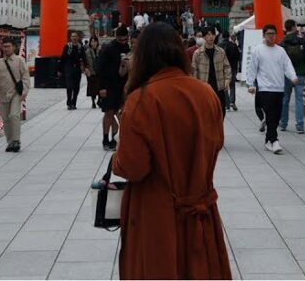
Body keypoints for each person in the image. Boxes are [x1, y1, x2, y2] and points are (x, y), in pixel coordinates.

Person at [112, 22, 232, 280]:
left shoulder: (142, 98)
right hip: (201, 209)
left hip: (156, 213)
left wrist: (116, 159)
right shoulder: (207, 94)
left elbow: (133, 166)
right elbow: (216, 142)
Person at [246, 23, 298, 154]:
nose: (271, 37)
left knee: (276, 116)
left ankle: (268, 141)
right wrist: (250, 84)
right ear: (264, 35)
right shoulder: (258, 50)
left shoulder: (280, 51)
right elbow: (252, 68)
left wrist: (293, 76)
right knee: (270, 114)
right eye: (269, 34)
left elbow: (287, 65)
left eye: (273, 34)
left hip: (279, 88)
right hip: (265, 88)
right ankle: (274, 140)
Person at [0, 39, 30, 152]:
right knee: (5, 119)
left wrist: (25, 90)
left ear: (14, 47)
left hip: (15, 94)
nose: (6, 49)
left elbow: (25, 77)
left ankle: (16, 140)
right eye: (4, 47)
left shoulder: (19, 61)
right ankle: (10, 141)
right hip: (2, 93)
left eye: (8, 46)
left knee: (14, 115)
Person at [96, 26, 131, 150]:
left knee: (122, 112)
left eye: (125, 39)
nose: (123, 42)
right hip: (109, 85)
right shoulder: (108, 48)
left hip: (122, 85)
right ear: (116, 37)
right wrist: (101, 87)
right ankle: (105, 139)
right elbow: (100, 69)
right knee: (109, 112)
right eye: (121, 40)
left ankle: (118, 138)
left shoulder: (128, 48)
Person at [279, 19, 305, 134]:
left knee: (285, 99)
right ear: (293, 27)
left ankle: (283, 123)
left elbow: (279, 61)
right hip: (300, 73)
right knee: (299, 100)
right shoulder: (301, 41)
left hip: (287, 74)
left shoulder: (282, 42)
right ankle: (300, 125)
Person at [190, 26, 232, 116]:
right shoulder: (198, 53)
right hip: (205, 88)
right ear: (204, 37)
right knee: (206, 113)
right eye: (208, 34)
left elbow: (227, 67)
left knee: (221, 112)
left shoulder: (220, 51)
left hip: (219, 86)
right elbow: (194, 71)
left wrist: (227, 80)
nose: (211, 37)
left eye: (213, 34)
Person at [60, 31, 86, 109]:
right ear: (70, 38)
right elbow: (63, 59)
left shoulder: (80, 47)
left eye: (75, 36)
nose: (74, 38)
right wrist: (60, 70)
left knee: (76, 87)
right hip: (69, 68)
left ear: (78, 38)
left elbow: (84, 58)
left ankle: (74, 102)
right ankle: (69, 102)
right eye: (73, 36)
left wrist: (86, 67)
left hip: (77, 69)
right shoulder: (67, 47)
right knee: (69, 86)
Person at [218, 31, 242, 112]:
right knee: (232, 85)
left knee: (224, 85)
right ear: (229, 37)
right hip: (232, 67)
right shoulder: (233, 45)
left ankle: (227, 103)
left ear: (222, 36)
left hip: (222, 68)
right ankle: (232, 102)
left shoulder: (219, 46)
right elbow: (238, 57)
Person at [85, 35, 102, 108]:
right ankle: (93, 101)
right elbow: (85, 62)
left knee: (100, 86)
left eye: (95, 41)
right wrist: (86, 70)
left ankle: (99, 99)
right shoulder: (87, 52)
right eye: (92, 41)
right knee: (92, 87)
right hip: (91, 71)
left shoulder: (100, 50)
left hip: (99, 71)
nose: (94, 43)